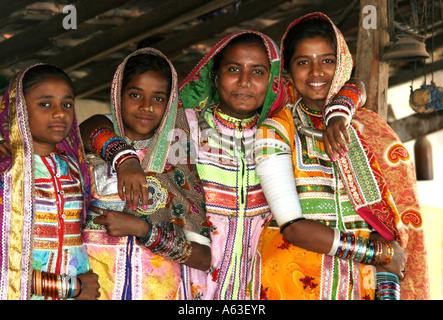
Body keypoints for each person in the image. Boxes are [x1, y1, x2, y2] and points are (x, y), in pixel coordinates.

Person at [178, 29, 366, 300]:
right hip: (190, 273)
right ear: (215, 76)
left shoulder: (280, 132)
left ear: (274, 81)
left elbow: (355, 84)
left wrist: (339, 111)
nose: (244, 82)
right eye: (233, 69)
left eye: (258, 72)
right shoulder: (185, 127)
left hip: (257, 281)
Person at [254, 12, 429, 300]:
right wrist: (378, 252)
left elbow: (356, 87)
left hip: (364, 280)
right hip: (295, 276)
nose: (316, 72)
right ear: (287, 72)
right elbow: (292, 227)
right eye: (303, 62)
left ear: (342, 64)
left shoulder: (364, 127)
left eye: (327, 60)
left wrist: (339, 113)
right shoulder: (276, 129)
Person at [81, 48, 211, 300]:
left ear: (171, 103)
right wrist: (124, 159)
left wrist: (144, 230)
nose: (146, 107)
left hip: (158, 290)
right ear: (117, 95)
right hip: (96, 289)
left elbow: (202, 258)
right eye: (135, 94)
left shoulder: (177, 160)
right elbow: (91, 127)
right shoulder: (93, 150)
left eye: (159, 98)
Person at [0, 64, 100, 300]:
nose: (60, 113)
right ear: (19, 110)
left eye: (67, 104)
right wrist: (71, 287)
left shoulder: (78, 169)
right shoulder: (6, 174)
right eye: (45, 104)